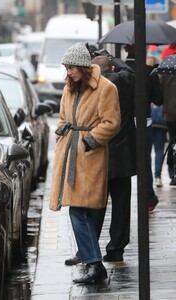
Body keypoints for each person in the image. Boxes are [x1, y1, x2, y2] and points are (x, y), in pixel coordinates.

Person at [49, 43, 121, 284]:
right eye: (66, 68)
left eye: (71, 68)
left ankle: (94, 263)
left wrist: (89, 141)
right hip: (69, 154)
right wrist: (62, 130)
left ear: (83, 67)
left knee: (80, 210)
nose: (68, 72)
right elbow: (62, 117)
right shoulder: (69, 88)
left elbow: (111, 122)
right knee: (79, 210)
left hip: (89, 157)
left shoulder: (105, 88)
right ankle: (93, 263)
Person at [64, 53, 136, 265]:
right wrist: (115, 59)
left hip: (98, 153)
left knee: (93, 205)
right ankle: (116, 249)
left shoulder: (96, 88)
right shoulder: (124, 80)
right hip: (122, 155)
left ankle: (88, 249)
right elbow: (130, 72)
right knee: (121, 205)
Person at [124, 44, 163, 211]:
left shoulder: (120, 71)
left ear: (126, 49)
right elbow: (159, 100)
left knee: (123, 161)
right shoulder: (148, 72)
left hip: (123, 122)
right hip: (143, 122)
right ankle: (148, 198)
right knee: (144, 161)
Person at [150, 103, 167, 187]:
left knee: (145, 153)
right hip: (161, 122)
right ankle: (157, 177)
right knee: (159, 151)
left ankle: (147, 178)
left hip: (148, 121)